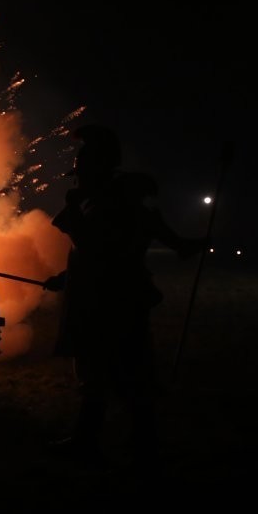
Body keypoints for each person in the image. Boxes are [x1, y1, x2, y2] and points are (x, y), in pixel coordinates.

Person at [44, 124, 204, 476]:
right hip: (111, 297)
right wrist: (67, 279)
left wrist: (71, 217)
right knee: (105, 375)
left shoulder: (111, 205)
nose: (77, 177)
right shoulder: (114, 200)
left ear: (100, 167)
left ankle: (136, 448)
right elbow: (100, 258)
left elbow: (103, 252)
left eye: (83, 169)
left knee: (118, 375)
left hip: (111, 303)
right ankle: (113, 444)